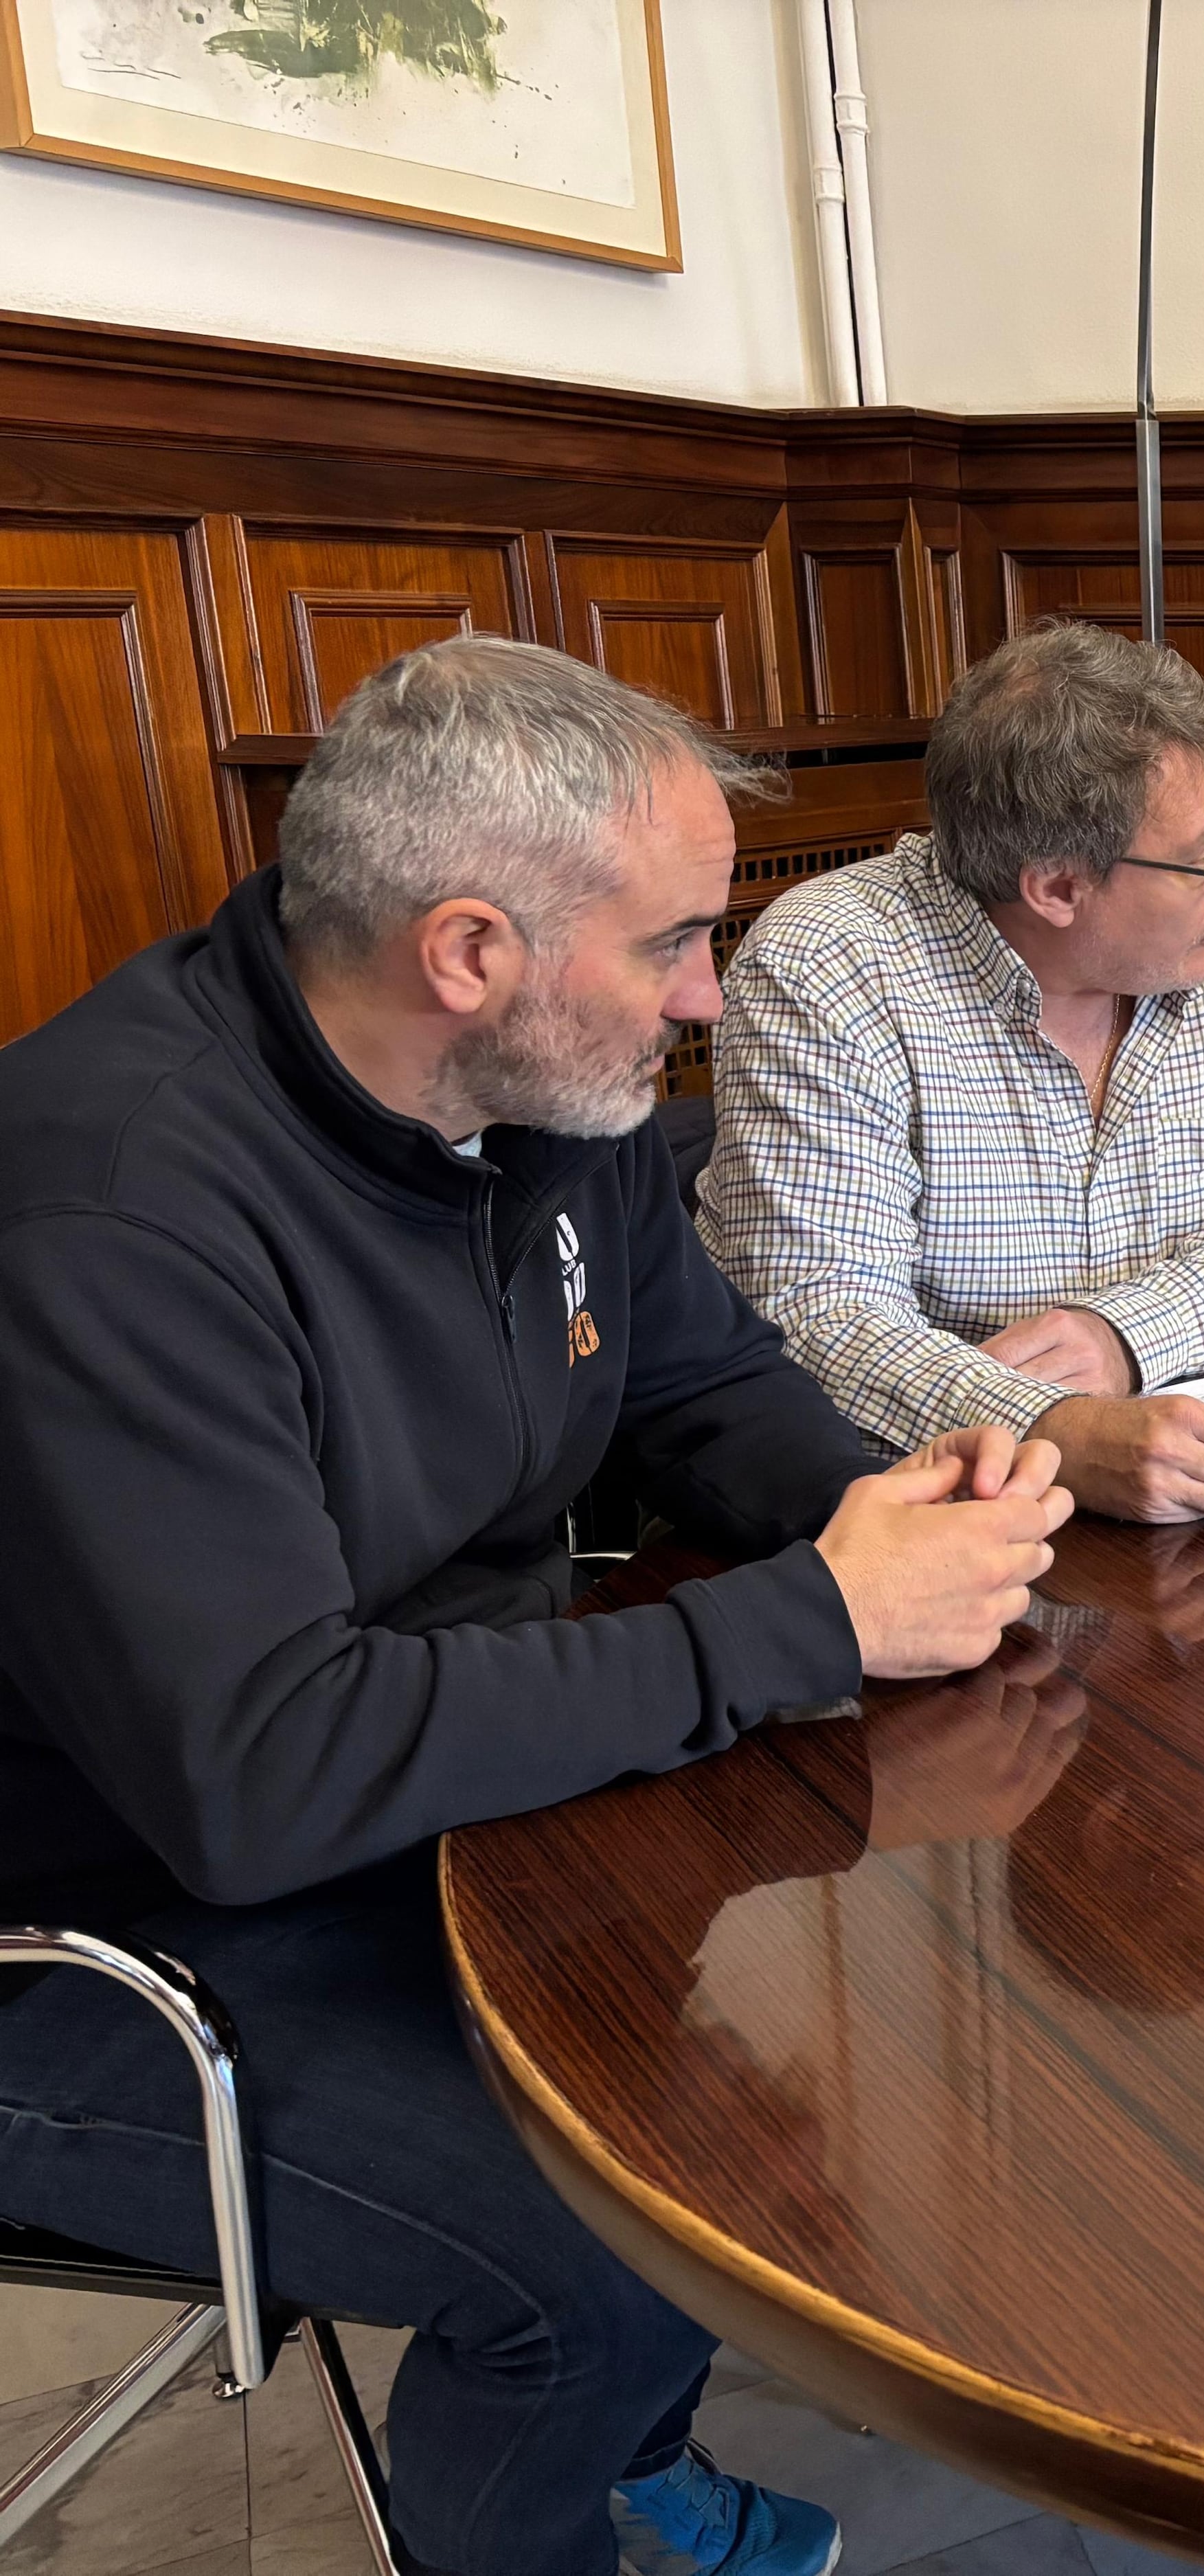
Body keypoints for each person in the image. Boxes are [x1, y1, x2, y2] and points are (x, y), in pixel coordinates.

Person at [0, 637, 1065, 2576]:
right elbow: (260, 1771)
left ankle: (617, 2460)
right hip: (103, 1934)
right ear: (469, 950)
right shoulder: (115, 1210)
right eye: (672, 942)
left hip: (426, 1801)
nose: (706, 994)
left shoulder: (546, 1091)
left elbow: (697, 1383)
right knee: (605, 2257)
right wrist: (813, 1623)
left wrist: (900, 1513)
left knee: (767, 2106)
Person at [700, 621, 1204, 1525]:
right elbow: (819, 1318)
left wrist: (1125, 1338)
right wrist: (1056, 1427)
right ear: (1055, 887)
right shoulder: (831, 969)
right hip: (915, 1521)